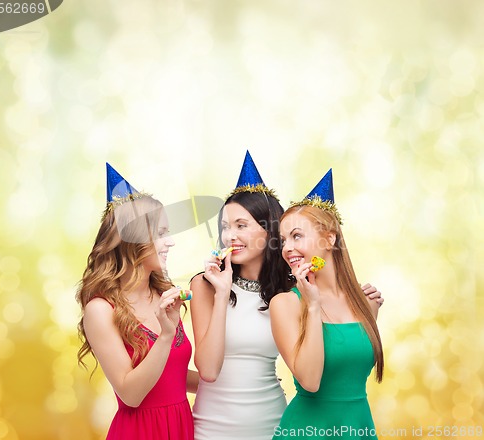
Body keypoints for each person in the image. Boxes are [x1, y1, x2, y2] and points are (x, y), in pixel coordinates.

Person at [191, 152, 383, 440]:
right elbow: (207, 369)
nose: (230, 236)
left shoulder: (291, 288)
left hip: (274, 420)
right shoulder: (206, 285)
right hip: (214, 425)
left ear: (269, 231)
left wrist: (362, 303)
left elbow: (331, 340)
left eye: (241, 225)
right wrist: (222, 293)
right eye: (225, 227)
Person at [76, 163, 197, 440]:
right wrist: (166, 335)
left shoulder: (164, 294)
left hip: (181, 427)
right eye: (162, 233)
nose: (170, 242)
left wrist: (241, 384)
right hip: (140, 431)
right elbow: (130, 393)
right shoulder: (101, 309)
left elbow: (174, 377)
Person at [270, 169, 384, 440]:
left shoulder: (363, 303)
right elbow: (310, 382)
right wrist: (312, 306)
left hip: (357, 428)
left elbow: (352, 366)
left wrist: (371, 312)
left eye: (297, 236)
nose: (287, 248)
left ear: (329, 239)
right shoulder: (285, 304)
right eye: (283, 240)